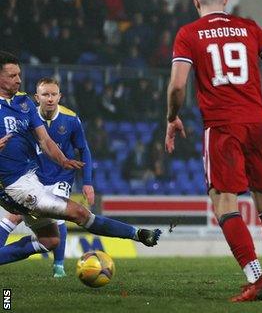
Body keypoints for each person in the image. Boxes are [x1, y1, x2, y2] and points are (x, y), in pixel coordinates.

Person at [164, 0, 262, 302]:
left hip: (223, 126)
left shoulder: (189, 34)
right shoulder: (248, 27)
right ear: (225, 1)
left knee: (223, 201)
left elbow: (178, 86)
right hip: (258, 123)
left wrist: (171, 117)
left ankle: (256, 277)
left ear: (196, 2)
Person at [0, 51, 161, 267]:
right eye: (12, 76)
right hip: (15, 185)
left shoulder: (24, 103)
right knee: (79, 213)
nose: (19, 80)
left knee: (50, 240)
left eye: (19, 74)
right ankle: (137, 234)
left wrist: (63, 161)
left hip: (32, 178)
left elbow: (45, 140)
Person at [0, 77, 95, 277]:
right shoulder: (26, 116)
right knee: (13, 216)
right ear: (37, 98)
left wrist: (87, 182)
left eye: (53, 94)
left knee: (57, 213)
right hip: (34, 175)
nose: (50, 99)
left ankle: (59, 266)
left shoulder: (71, 119)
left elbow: (83, 149)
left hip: (61, 176)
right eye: (45, 95)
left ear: (60, 96)